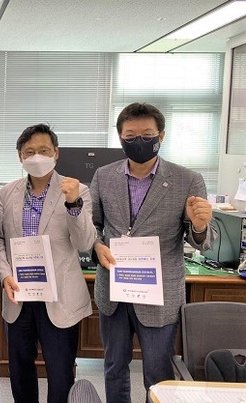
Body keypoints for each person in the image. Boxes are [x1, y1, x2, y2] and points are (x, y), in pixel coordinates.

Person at [89, 102, 216, 403]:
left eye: (147, 135)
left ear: (161, 136)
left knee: (158, 374)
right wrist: (96, 245)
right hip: (114, 291)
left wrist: (199, 225)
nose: (139, 141)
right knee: (114, 368)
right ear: (120, 137)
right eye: (130, 135)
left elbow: (203, 242)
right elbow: (92, 225)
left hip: (159, 295)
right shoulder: (103, 176)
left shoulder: (188, 179)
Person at [0, 123, 96, 403]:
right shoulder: (8, 193)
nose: (36, 157)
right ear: (20, 156)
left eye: (43, 150)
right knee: (20, 369)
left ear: (56, 153)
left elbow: (85, 242)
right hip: (19, 294)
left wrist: (73, 204)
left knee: (60, 371)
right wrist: (5, 275)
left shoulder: (78, 191)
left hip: (59, 296)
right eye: (29, 152)